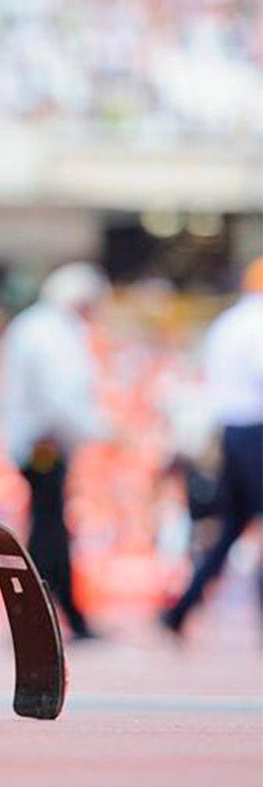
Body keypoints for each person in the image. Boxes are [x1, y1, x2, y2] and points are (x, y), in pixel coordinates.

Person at [0, 262, 109, 641]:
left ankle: (56, 616)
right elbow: (59, 398)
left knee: (51, 530)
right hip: (43, 444)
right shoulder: (50, 333)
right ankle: (34, 617)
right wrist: (97, 430)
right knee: (48, 535)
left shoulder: (41, 328)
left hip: (42, 442)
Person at [161, 258, 263, 638]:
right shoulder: (257, 322)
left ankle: (180, 610)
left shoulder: (228, 322)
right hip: (256, 430)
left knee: (233, 526)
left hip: (231, 432)